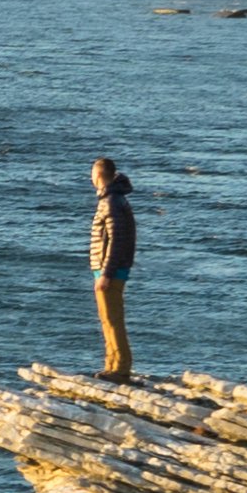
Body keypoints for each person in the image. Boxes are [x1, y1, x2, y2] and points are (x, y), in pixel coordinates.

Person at [87, 156, 137, 379]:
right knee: (107, 318)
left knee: (112, 318)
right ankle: (112, 363)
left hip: (110, 270)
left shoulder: (111, 202)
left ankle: (120, 368)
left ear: (98, 175)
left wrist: (106, 273)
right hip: (109, 268)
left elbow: (116, 240)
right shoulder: (114, 199)